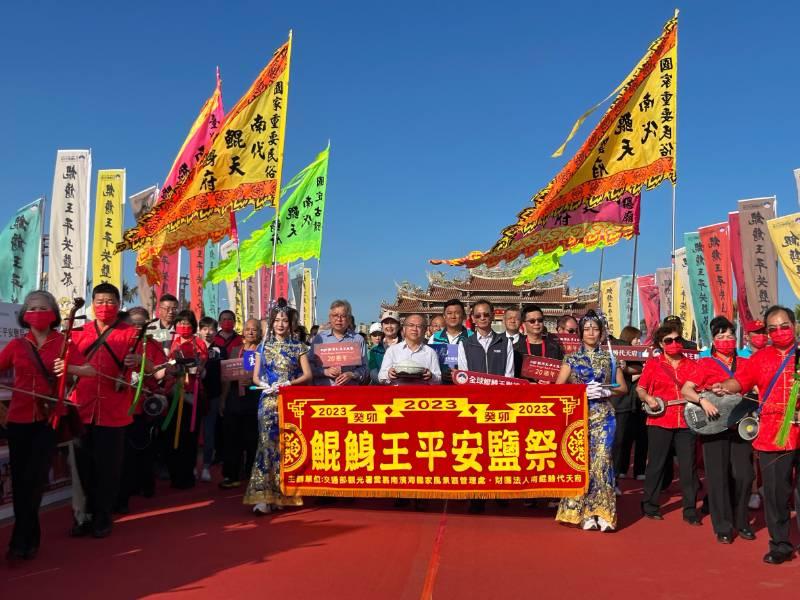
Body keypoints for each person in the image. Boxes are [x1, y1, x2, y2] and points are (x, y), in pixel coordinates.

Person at [0, 291, 95, 560]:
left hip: (48, 419)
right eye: (32, 308)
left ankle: (20, 540)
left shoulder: (63, 342)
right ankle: (29, 536)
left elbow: (90, 370)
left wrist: (68, 367)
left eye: (43, 307)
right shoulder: (18, 346)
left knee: (35, 478)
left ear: (53, 313)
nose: (37, 312)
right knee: (20, 481)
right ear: (24, 315)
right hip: (18, 420)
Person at [710, 305, 800, 564]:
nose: (779, 331)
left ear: (793, 326)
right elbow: (741, 381)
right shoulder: (760, 358)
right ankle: (780, 544)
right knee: (775, 494)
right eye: (773, 329)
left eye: (784, 326)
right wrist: (724, 387)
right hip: (774, 435)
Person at [71, 283, 155, 539]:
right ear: (92, 303)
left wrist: (139, 361)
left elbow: (152, 369)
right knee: (82, 468)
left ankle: (103, 516)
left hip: (114, 412)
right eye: (99, 301)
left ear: (118, 305)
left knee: (108, 468)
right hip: (81, 409)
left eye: (110, 302)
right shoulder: (77, 333)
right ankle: (84, 515)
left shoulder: (131, 334)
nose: (104, 307)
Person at [680, 316, 754, 544]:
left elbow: (757, 385)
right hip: (714, 425)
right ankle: (723, 525)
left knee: (744, 475)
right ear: (713, 340)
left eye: (730, 336)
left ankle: (741, 520)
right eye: (721, 337)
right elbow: (686, 390)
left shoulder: (745, 363)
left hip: (741, 425)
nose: (726, 340)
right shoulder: (705, 364)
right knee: (718, 476)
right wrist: (703, 400)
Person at [555, 311, 627, 532]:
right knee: (582, 462)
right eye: (587, 329)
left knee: (603, 462)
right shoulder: (571, 359)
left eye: (595, 329)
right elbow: (558, 388)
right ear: (580, 333)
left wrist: (606, 391)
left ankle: (602, 511)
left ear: (601, 332)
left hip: (604, 415)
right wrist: (581, 391)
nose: (591, 333)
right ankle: (583, 511)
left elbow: (622, 388)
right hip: (579, 416)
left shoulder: (609, 359)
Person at [245, 302, 312, 514]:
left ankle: (284, 493)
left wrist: (290, 384)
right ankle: (263, 496)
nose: (281, 324)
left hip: (289, 401)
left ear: (291, 323)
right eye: (277, 320)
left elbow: (307, 375)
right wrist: (264, 383)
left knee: (287, 446)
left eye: (285, 320)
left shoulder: (299, 347)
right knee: (266, 445)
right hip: (268, 401)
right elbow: (255, 375)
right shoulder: (262, 347)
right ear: (271, 323)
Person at [636, 324, 702, 525]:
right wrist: (648, 398)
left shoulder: (692, 365)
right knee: (656, 464)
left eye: (677, 340)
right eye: (669, 341)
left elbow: (702, 387)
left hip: (686, 420)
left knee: (688, 466)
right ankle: (650, 504)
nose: (674, 344)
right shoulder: (653, 364)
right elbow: (640, 388)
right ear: (660, 344)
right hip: (660, 419)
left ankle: (690, 509)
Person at [115, 306, 166, 512]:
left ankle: (142, 486)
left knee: (141, 451)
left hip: (141, 409)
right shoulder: (117, 342)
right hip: (116, 408)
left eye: (141, 324)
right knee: (120, 456)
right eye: (133, 323)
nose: (137, 327)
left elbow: (161, 374)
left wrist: (145, 364)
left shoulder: (151, 345)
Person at [163, 310, 207, 489]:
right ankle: (174, 473)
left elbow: (201, 365)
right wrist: (171, 370)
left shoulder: (199, 343)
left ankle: (187, 474)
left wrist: (192, 370)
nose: (183, 326)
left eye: (187, 322)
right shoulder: (171, 342)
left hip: (191, 395)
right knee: (173, 435)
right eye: (180, 322)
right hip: (174, 393)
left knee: (190, 436)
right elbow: (166, 364)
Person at [219, 319, 262, 489]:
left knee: (253, 439)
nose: (251, 332)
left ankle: (253, 474)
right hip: (235, 399)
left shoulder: (263, 351)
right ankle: (231, 475)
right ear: (243, 332)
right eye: (248, 329)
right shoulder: (236, 350)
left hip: (255, 398)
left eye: (255, 329)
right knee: (232, 438)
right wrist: (223, 398)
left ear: (260, 332)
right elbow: (227, 377)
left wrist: (253, 380)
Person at [309, 300, 368, 386]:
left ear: (348, 319)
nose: (339, 319)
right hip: (323, 391)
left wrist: (352, 374)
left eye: (343, 316)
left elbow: (365, 369)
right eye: (335, 315)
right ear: (330, 318)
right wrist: (325, 372)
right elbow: (309, 366)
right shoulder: (319, 339)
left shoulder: (358, 339)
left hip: (350, 393)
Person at [616, 327, 647, 482]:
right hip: (625, 401)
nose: (639, 342)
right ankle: (621, 468)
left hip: (640, 402)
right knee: (623, 437)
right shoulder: (617, 354)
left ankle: (640, 470)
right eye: (636, 338)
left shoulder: (642, 356)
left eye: (639, 339)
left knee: (642, 436)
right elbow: (629, 378)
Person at [378, 314, 441, 385]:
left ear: (424, 330)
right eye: (411, 325)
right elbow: (381, 377)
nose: (414, 329)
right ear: (404, 329)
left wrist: (431, 376)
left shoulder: (430, 352)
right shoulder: (392, 350)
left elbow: (438, 380)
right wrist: (388, 374)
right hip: (397, 394)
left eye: (419, 326)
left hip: (421, 394)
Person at [457, 300, 514, 378]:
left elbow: (509, 375)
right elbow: (464, 376)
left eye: (486, 315)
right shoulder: (464, 344)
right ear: (473, 318)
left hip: (499, 389)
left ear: (493, 316)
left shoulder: (506, 343)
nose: (482, 318)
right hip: (474, 389)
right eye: (478, 316)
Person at [198, 317, 223, 482]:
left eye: (211, 329)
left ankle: (206, 466)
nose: (208, 332)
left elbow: (224, 375)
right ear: (199, 330)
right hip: (192, 396)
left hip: (213, 397)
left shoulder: (220, 351)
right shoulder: (191, 348)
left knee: (209, 433)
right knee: (192, 433)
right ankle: (192, 466)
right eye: (204, 328)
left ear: (216, 331)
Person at [514, 304, 564, 381]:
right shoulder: (516, 349)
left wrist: (551, 382)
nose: (537, 323)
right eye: (532, 321)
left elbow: (561, 373)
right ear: (523, 324)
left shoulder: (554, 347)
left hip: (548, 391)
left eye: (540, 320)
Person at [368, 310, 402, 384]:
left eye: (393, 323)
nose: (389, 326)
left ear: (399, 326)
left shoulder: (406, 347)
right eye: (386, 323)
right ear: (382, 326)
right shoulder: (374, 351)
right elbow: (373, 372)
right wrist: (387, 383)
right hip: (381, 390)